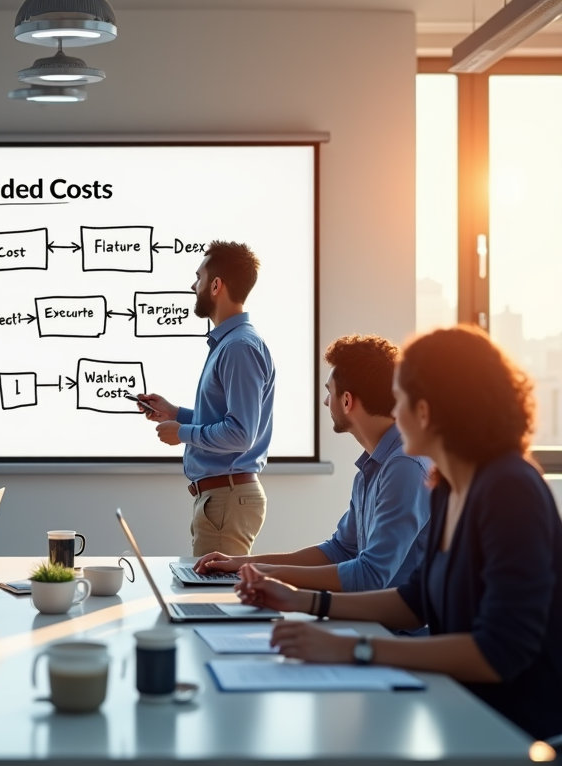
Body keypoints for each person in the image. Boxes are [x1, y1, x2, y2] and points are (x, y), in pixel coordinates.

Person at [235, 326, 562, 740]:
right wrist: (301, 600)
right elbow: (416, 601)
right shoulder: (447, 487)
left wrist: (354, 650)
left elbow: (501, 651)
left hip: (518, 734)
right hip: (462, 714)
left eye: (400, 399)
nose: (393, 411)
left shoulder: (509, 488)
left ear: (424, 412)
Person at [194, 335, 430, 593]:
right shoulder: (373, 468)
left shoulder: (404, 467)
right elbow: (339, 550)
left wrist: (268, 574)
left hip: (398, 632)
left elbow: (369, 575)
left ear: (348, 401)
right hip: (370, 620)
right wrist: (243, 563)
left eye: (329, 392)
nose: (327, 401)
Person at [137, 241, 275, 557]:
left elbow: (240, 433)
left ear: (215, 286)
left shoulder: (239, 347)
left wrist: (182, 434)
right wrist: (175, 413)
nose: (192, 285)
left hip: (227, 498)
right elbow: (224, 419)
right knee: (210, 596)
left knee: (213, 600)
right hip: (221, 498)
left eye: (198, 277)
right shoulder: (231, 344)